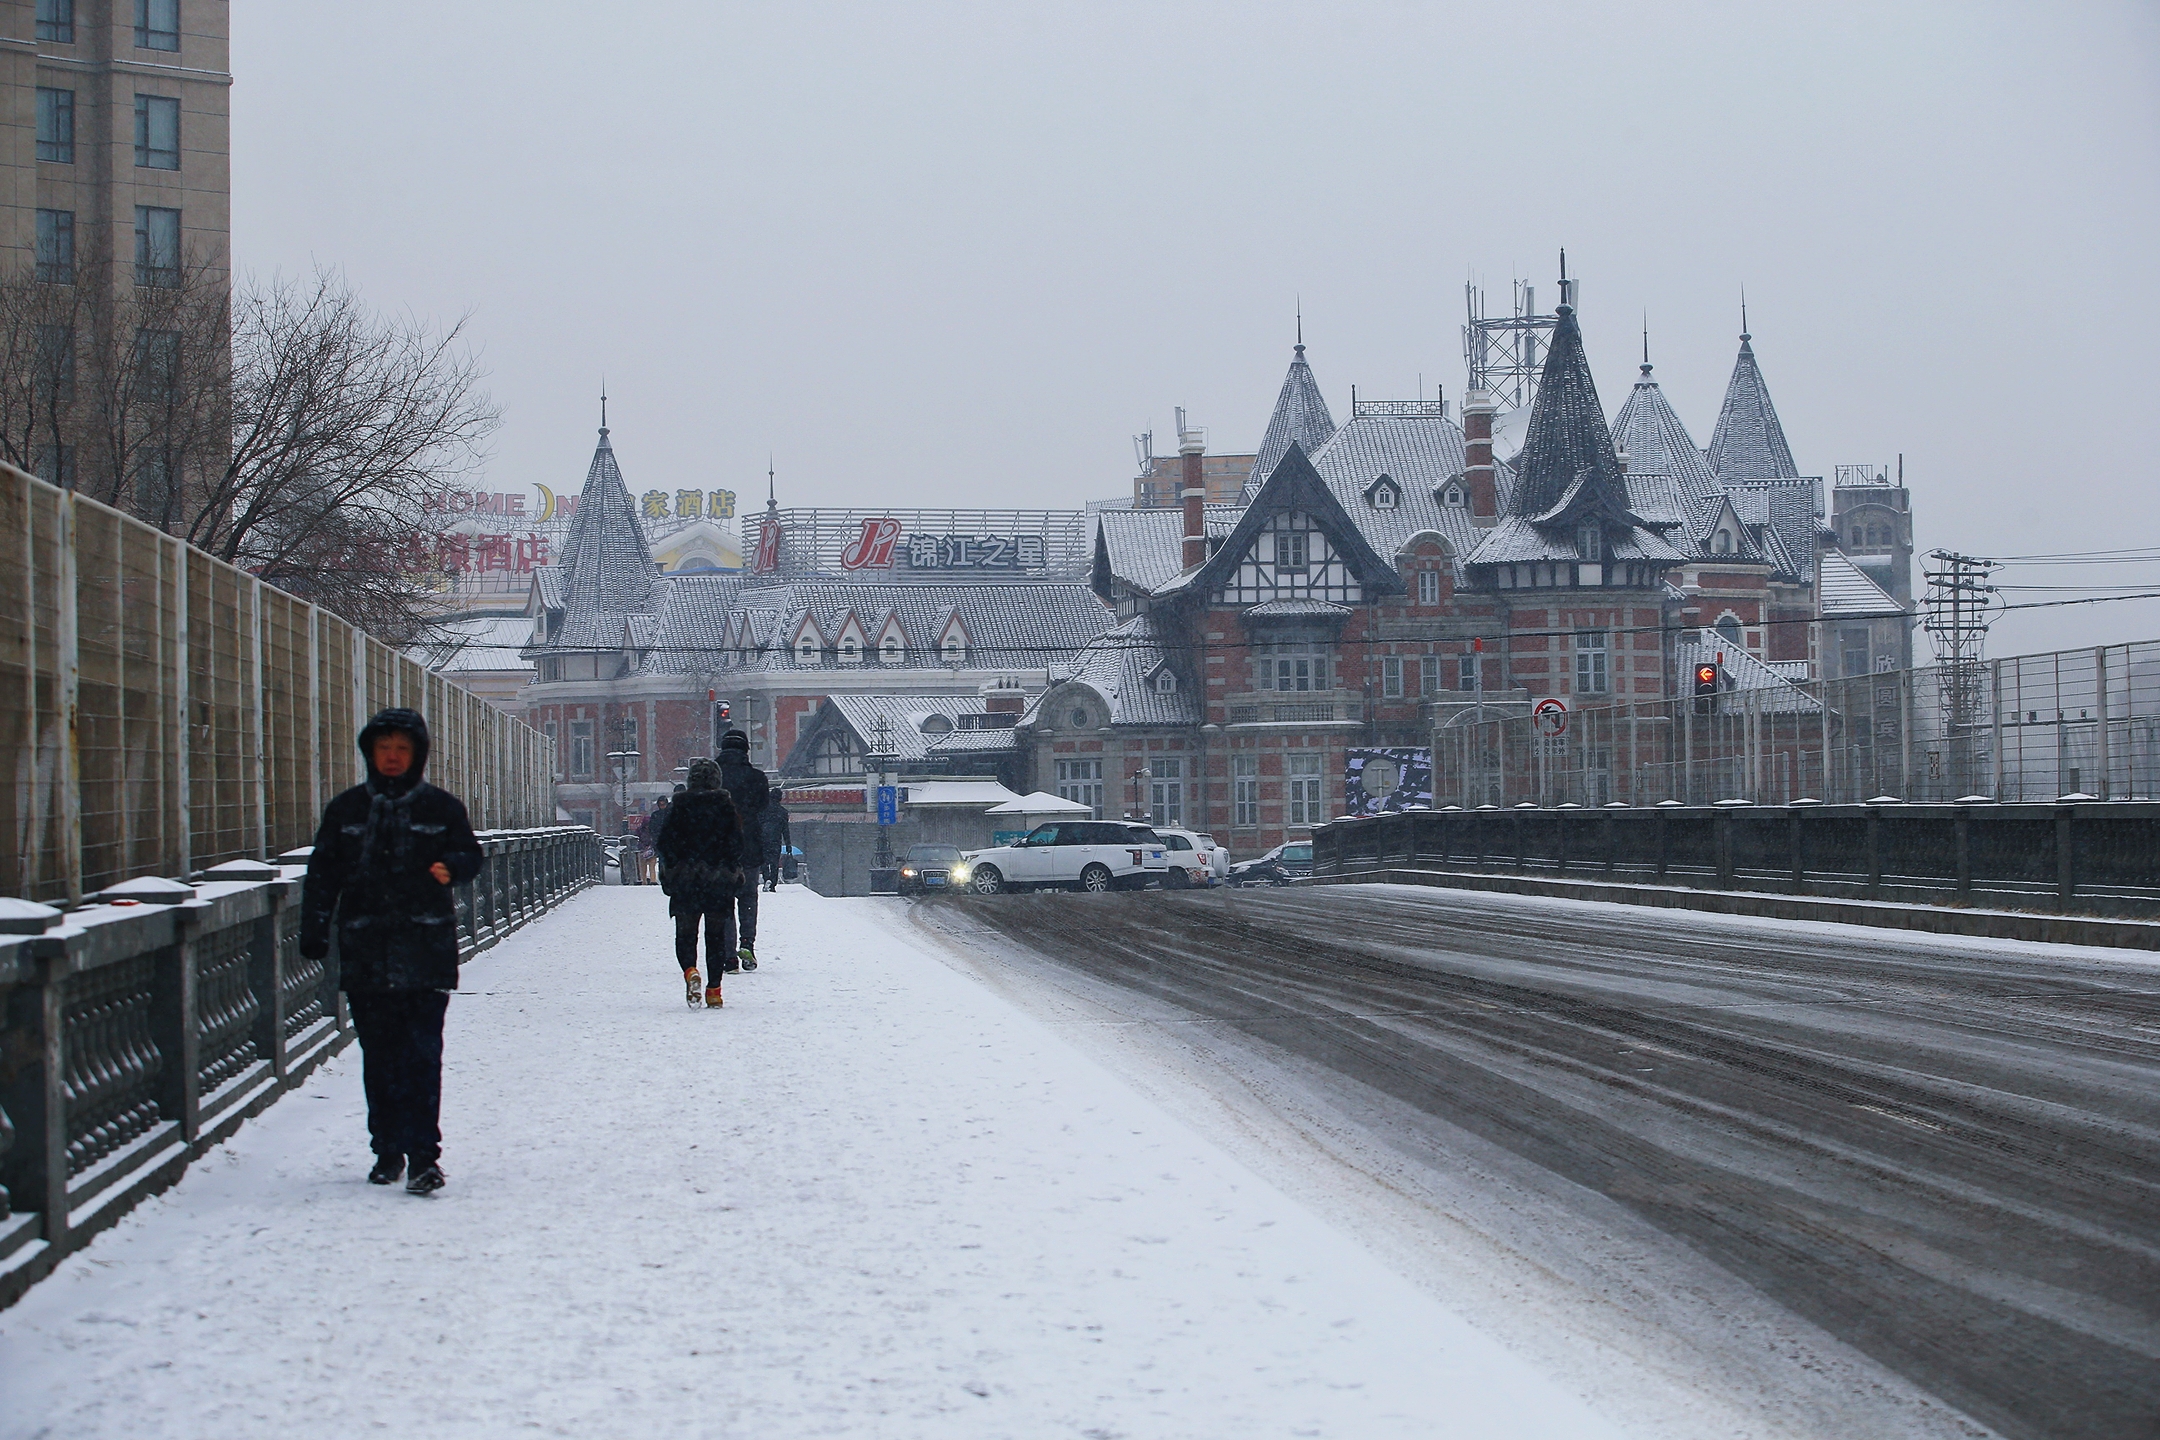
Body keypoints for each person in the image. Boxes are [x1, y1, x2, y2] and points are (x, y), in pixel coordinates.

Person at [299, 708, 482, 1196]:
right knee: (379, 1056)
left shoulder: (440, 809)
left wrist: (451, 866)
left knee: (423, 1054)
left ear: (416, 754)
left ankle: (424, 1155)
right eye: (385, 749)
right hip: (366, 948)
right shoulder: (348, 811)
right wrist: (314, 929)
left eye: (402, 749)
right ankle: (386, 1149)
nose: (393, 758)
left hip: (426, 948)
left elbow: (470, 853)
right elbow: (322, 875)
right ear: (370, 754)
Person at [652, 758, 745, 1008]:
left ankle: (690, 972)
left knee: (686, 935)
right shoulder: (726, 807)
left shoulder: (679, 808)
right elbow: (737, 845)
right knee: (714, 937)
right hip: (718, 882)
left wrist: (673, 868)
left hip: (686, 881)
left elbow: (664, 844)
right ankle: (714, 991)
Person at [715, 730, 770, 970]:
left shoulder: (712, 778)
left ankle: (728, 955)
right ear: (746, 750)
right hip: (749, 845)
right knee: (748, 897)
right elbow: (764, 807)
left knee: (724, 901)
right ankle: (747, 943)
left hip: (718, 849)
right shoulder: (757, 778)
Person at [638, 795, 672, 885]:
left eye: (663, 804)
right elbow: (652, 829)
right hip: (662, 841)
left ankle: (666, 877)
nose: (662, 806)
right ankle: (664, 877)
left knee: (664, 860)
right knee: (663, 860)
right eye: (661, 804)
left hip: (666, 841)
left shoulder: (662, 815)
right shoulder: (659, 815)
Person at [760, 800, 790, 892]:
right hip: (776, 842)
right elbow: (785, 830)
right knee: (774, 863)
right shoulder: (783, 812)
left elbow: (756, 826)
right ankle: (773, 884)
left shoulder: (762, 810)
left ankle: (766, 878)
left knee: (764, 862)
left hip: (763, 841)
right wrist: (788, 844)